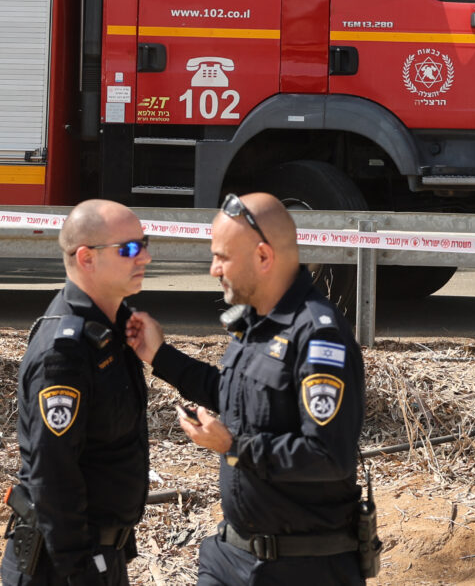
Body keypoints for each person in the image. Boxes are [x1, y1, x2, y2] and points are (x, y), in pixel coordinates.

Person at [127, 193, 368, 586]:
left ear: (263, 257)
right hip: (230, 557)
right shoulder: (255, 321)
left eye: (222, 257)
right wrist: (158, 355)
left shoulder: (318, 335)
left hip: (301, 568)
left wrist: (235, 446)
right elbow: (234, 395)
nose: (213, 269)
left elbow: (328, 457)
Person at [3, 201, 151, 586]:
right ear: (86, 258)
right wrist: (79, 568)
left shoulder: (109, 327)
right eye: (130, 248)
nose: (146, 256)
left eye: (144, 243)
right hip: (63, 565)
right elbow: (52, 472)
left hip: (97, 554)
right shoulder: (64, 352)